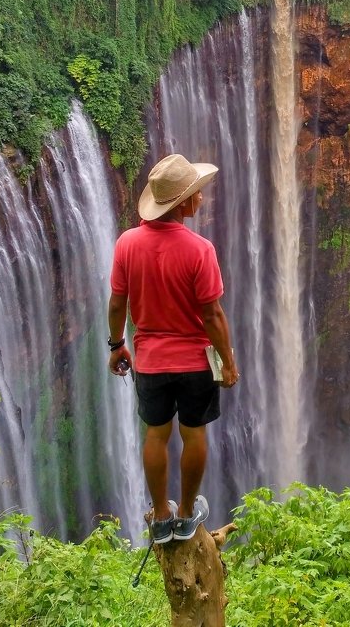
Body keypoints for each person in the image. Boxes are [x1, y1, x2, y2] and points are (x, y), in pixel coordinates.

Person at [107, 153, 239, 544]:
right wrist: (228, 364)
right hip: (197, 362)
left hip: (150, 362)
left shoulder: (127, 244)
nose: (201, 197)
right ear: (183, 203)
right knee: (194, 433)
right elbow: (213, 315)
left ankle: (160, 516)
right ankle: (185, 514)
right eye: (196, 193)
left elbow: (117, 303)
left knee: (156, 435)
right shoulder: (200, 250)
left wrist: (117, 346)